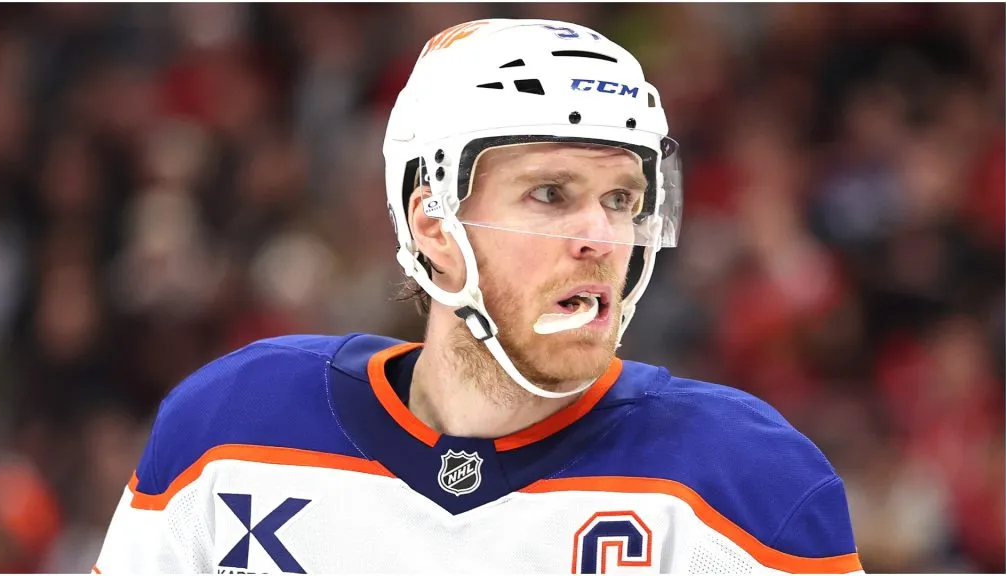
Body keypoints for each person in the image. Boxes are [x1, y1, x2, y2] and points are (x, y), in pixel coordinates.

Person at [94, 19, 862, 574]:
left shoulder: (746, 484)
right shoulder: (230, 432)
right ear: (433, 223)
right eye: (552, 193)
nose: (602, 236)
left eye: (624, 199)